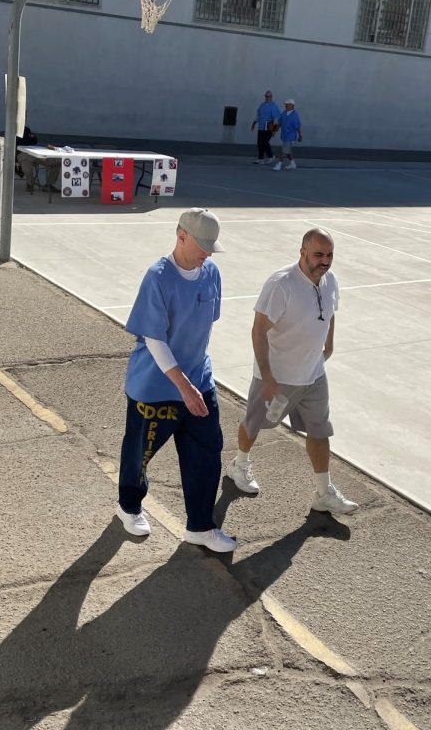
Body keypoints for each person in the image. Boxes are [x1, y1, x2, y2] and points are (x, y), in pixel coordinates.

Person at [117, 208, 237, 553]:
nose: (208, 254)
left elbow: (204, 326)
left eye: (212, 247)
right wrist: (184, 386)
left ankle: (200, 526)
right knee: (140, 454)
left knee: (206, 453)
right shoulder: (158, 277)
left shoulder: (212, 273)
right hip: (156, 388)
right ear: (181, 235)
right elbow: (154, 338)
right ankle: (128, 507)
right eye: (203, 245)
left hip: (200, 381)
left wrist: (196, 381)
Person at [226, 228, 358, 515]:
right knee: (255, 424)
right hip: (278, 377)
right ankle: (239, 464)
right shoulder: (281, 284)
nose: (325, 261)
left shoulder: (330, 280)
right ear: (302, 252)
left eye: (330, 255)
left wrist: (329, 344)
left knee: (319, 430)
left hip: (313, 374)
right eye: (318, 254)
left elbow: (330, 312)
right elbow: (258, 330)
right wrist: (267, 376)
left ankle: (323, 492)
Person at [250, 90, 280, 164]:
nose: (267, 98)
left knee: (265, 142)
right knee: (259, 143)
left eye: (268, 96)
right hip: (261, 127)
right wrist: (253, 124)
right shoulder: (262, 105)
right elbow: (258, 115)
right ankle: (260, 159)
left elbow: (275, 119)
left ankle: (271, 156)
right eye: (266, 96)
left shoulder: (273, 106)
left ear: (271, 97)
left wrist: (274, 130)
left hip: (269, 126)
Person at [273, 98, 302, 171]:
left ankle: (279, 164)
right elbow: (279, 123)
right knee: (288, 151)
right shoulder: (284, 112)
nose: (285, 105)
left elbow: (297, 126)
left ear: (292, 105)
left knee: (284, 151)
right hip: (284, 135)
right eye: (285, 104)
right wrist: (275, 131)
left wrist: (300, 136)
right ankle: (293, 164)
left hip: (290, 136)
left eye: (287, 104)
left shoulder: (295, 115)